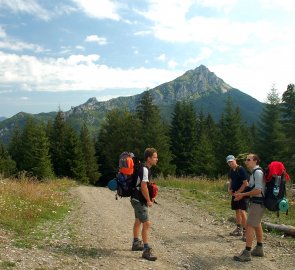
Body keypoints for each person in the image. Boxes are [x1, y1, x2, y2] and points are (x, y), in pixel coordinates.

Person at [233, 153, 265, 262]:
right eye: (246, 160)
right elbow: (251, 188)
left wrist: (242, 195)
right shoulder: (255, 172)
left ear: (255, 160)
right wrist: (241, 194)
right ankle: (259, 248)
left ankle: (247, 253)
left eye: (249, 160)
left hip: (258, 202)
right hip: (257, 202)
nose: (246, 162)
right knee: (256, 224)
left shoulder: (258, 173)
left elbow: (258, 190)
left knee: (250, 225)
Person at [130, 148, 158, 261]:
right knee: (146, 224)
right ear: (149, 158)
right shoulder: (145, 169)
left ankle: (136, 243)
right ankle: (146, 250)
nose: (157, 159)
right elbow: (143, 186)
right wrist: (148, 200)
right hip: (139, 200)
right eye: (155, 157)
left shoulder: (144, 168)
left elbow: (145, 186)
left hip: (135, 198)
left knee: (138, 220)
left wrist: (151, 197)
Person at [226, 155, 249, 241]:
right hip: (235, 193)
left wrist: (239, 192)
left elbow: (246, 183)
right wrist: (229, 189)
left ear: (235, 160)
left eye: (231, 161)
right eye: (228, 162)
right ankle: (238, 229)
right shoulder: (231, 170)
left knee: (242, 211)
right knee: (237, 211)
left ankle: (246, 232)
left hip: (242, 194)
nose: (230, 163)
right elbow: (231, 180)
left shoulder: (241, 169)